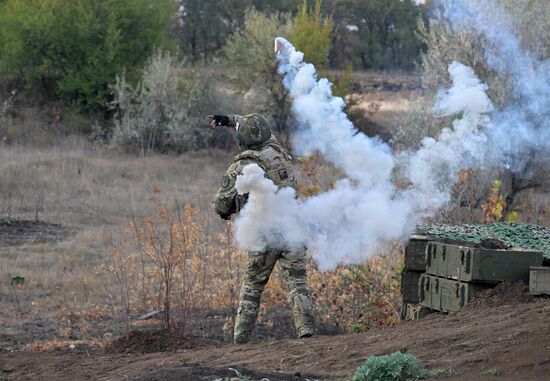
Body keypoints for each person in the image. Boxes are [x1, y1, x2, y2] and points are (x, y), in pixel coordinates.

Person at [209, 113, 315, 344]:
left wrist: (228, 210)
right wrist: (229, 119)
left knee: (252, 288)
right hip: (292, 230)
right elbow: (256, 127)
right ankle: (307, 332)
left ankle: (241, 341)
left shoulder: (242, 165)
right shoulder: (276, 151)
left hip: (265, 235)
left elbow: (221, 204)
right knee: (298, 284)